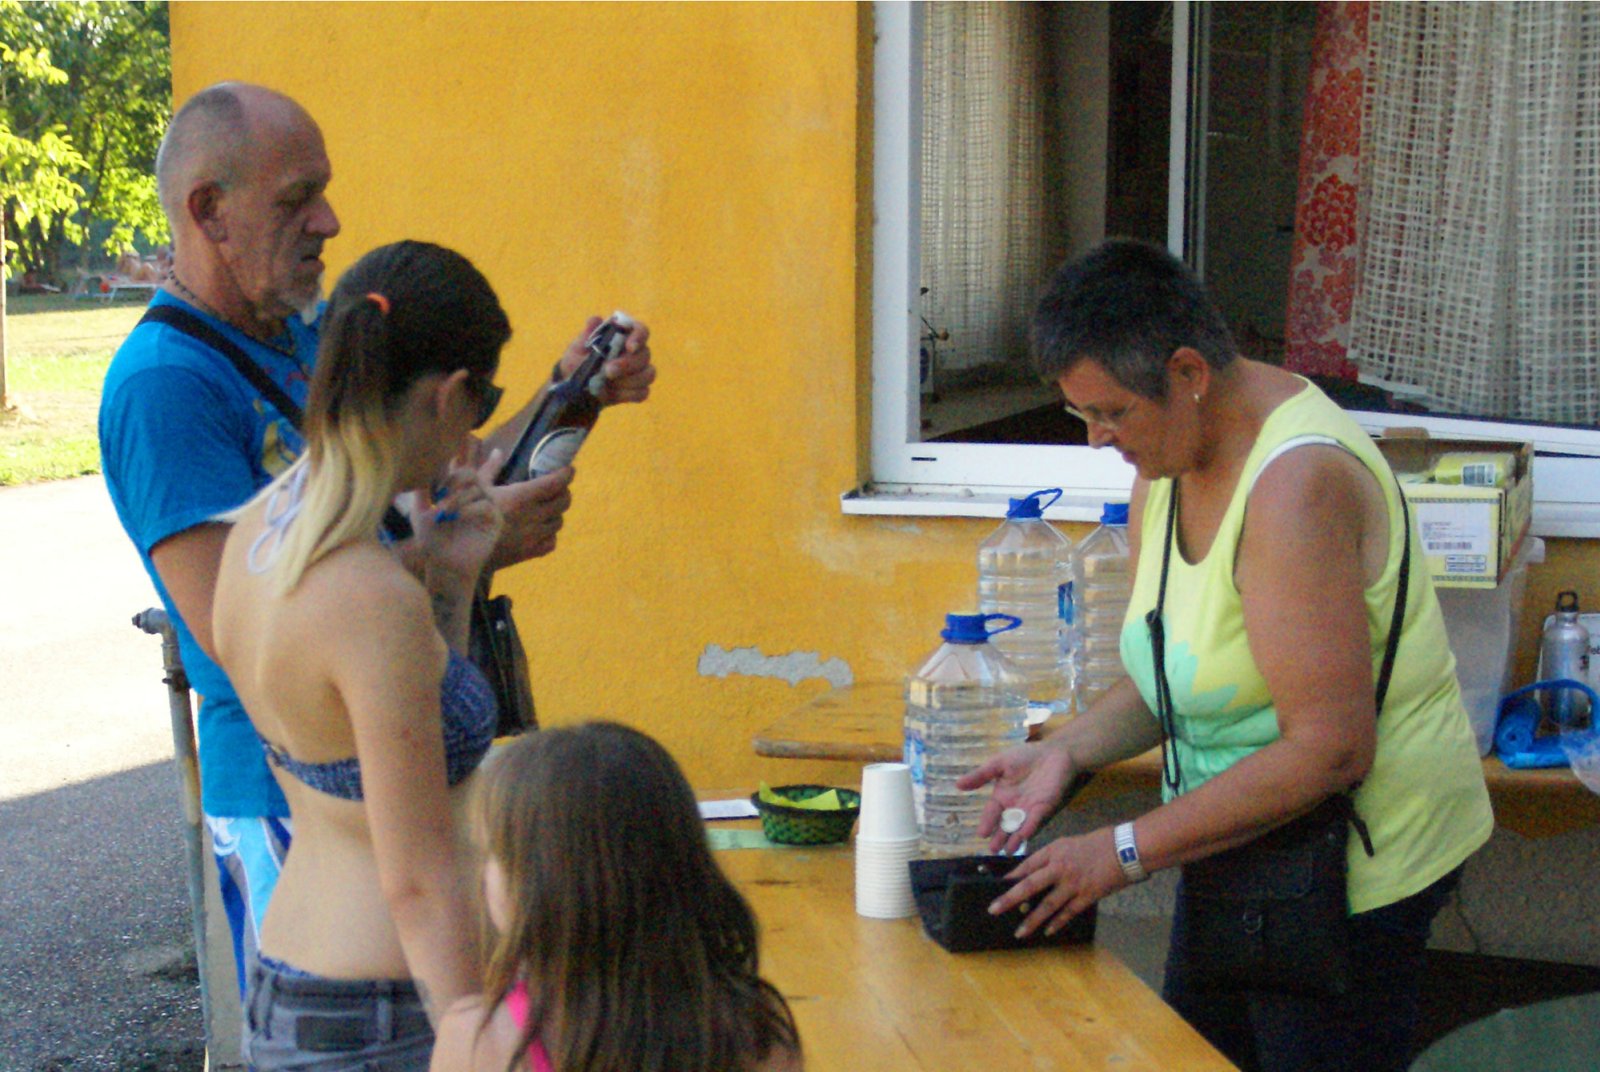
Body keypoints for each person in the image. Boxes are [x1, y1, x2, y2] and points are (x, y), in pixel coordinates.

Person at [97, 81, 656, 995]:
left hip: (395, 772)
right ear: (208, 211)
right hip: (295, 808)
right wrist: (462, 555)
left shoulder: (311, 333)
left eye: (323, 191)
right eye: (297, 198)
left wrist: (570, 395)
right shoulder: (166, 385)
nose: (329, 221)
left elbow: (435, 463)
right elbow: (241, 627)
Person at [957, 240, 1493, 1072]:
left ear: (1188, 373)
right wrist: (1065, 751)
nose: (1097, 439)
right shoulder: (1167, 456)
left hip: (1349, 876)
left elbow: (1331, 750)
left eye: (1111, 414)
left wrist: (1122, 851)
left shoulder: (1296, 486)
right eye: (1080, 416)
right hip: (1237, 848)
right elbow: (1174, 671)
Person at [212, 239, 519, 1068]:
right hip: (382, 1015)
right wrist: (473, 1035)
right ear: (450, 394)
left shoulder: (257, 536)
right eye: (483, 401)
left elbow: (409, 729)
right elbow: (414, 880)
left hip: (308, 988)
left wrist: (452, 574)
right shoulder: (366, 595)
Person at [429, 722, 802, 1072]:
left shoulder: (476, 1040)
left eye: (492, 853)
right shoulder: (752, 1030)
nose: (481, 872)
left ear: (538, 889)